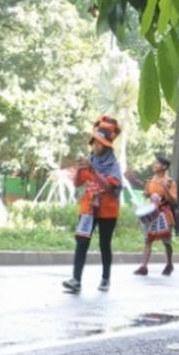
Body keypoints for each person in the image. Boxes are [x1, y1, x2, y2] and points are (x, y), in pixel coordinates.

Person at [63, 116, 122, 293]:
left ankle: (105, 278)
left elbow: (111, 188)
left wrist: (93, 171)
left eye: (99, 143)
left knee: (105, 244)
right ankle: (76, 280)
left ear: (106, 146)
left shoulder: (113, 165)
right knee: (82, 242)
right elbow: (77, 184)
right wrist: (80, 168)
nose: (95, 146)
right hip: (88, 209)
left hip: (107, 211)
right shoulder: (90, 160)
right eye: (93, 143)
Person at [135, 154, 177, 276]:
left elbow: (174, 201)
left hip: (164, 214)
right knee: (148, 240)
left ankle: (169, 263)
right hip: (152, 214)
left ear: (164, 167)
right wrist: (146, 195)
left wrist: (166, 190)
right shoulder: (151, 181)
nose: (155, 165)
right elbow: (147, 194)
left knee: (166, 241)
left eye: (157, 163)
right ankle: (143, 267)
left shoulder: (170, 182)